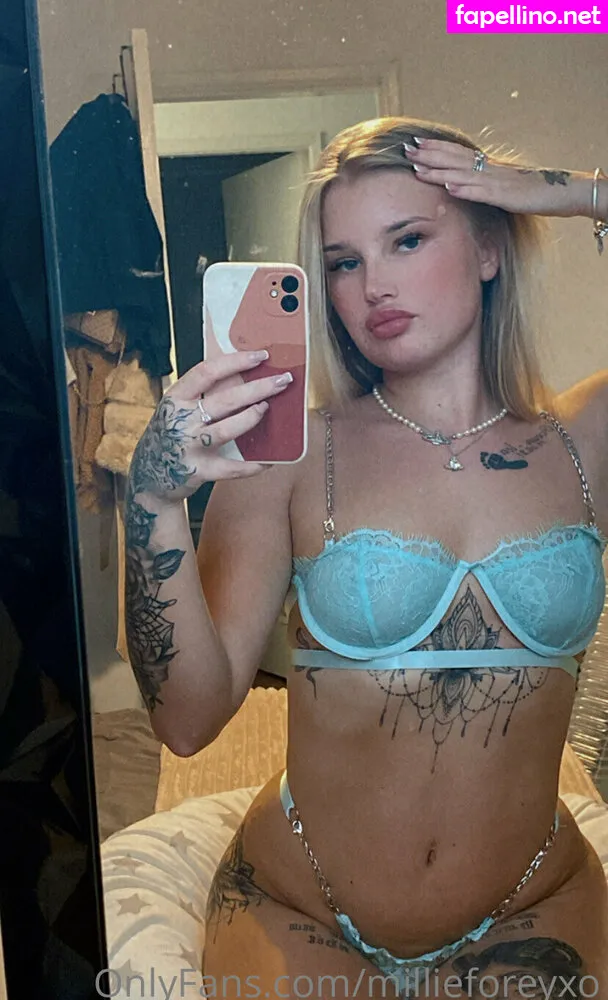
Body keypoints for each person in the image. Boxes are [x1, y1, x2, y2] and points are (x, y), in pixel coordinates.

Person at [124, 117, 608, 997]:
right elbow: (186, 722)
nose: (373, 284)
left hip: (535, 905)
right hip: (298, 909)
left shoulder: (585, 441)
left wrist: (575, 194)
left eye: (407, 240)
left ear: (489, 248)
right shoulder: (288, 457)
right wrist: (153, 502)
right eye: (343, 262)